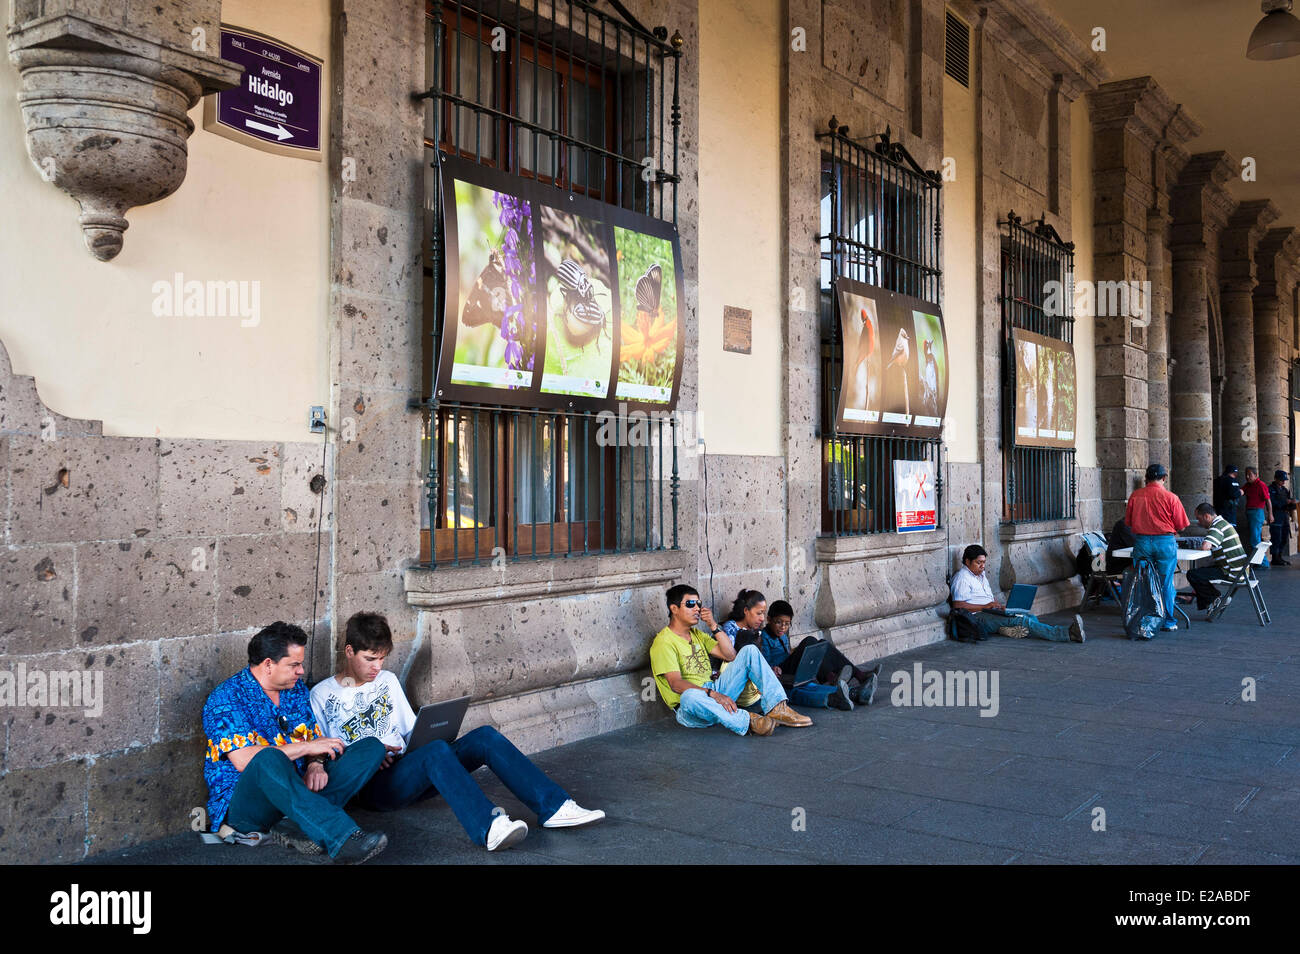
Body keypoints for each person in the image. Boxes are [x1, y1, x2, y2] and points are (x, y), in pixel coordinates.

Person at [310, 613, 603, 853]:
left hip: (411, 768)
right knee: (435, 753)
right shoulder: (322, 695)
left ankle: (554, 807)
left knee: (484, 737)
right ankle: (488, 827)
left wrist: (433, 731)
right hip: (375, 787)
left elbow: (412, 731)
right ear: (349, 651)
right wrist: (371, 753)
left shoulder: (387, 681)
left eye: (382, 659)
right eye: (370, 658)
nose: (378, 667)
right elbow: (325, 757)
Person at [202, 622, 389, 864]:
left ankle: (296, 825)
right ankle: (342, 838)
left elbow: (314, 741)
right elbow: (244, 760)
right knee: (268, 758)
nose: (301, 671)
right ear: (268, 664)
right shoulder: (226, 697)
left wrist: (315, 764)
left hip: (297, 788)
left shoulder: (295, 690)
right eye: (294, 664)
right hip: (247, 808)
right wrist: (307, 748)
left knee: (371, 747)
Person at [649, 584, 813, 736]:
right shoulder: (663, 642)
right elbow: (676, 684)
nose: (697, 608)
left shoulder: (697, 634)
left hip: (715, 690)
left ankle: (778, 707)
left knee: (749, 650)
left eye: (698, 603)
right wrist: (712, 694)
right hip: (693, 707)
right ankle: (749, 721)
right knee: (689, 696)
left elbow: (730, 655)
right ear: (674, 609)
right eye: (690, 604)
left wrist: (713, 625)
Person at [950, 545, 1086, 643]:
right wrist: (985, 607)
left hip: (989, 612)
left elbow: (986, 599)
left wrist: (996, 607)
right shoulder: (962, 578)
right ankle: (1068, 634)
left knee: (1028, 616)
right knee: (1023, 621)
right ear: (967, 562)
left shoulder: (981, 575)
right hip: (977, 617)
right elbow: (958, 606)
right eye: (978, 563)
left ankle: (1006, 628)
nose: (982, 566)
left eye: (984, 562)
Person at [758, 599, 880, 707]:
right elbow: (764, 662)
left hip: (788, 665)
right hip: (780, 672)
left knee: (822, 644)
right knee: (809, 641)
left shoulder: (783, 636)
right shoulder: (764, 637)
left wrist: (796, 653)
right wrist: (773, 668)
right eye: (778, 622)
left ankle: (859, 675)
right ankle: (832, 679)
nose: (783, 627)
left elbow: (787, 653)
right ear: (769, 620)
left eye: (786, 624)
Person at [1124, 463, 1190, 632]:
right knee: (1165, 583)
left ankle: (1143, 619)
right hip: (1165, 543)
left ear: (1146, 478)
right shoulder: (1171, 497)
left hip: (1142, 543)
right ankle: (1168, 621)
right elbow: (1181, 526)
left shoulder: (1135, 496)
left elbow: (1129, 523)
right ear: (1164, 478)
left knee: (1142, 581)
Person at [1183, 503, 1249, 615]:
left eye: (1199, 519)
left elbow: (1205, 547)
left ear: (1207, 516)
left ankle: (1215, 599)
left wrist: (1197, 547)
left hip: (1232, 572)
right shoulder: (1223, 523)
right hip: (1240, 571)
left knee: (1193, 574)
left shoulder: (1217, 526)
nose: (1199, 523)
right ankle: (1212, 602)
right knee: (1201, 573)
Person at [1239, 467, 1274, 569]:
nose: (1247, 476)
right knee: (1254, 538)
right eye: (1246, 474)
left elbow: (1268, 501)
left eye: (1250, 474)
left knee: (1255, 540)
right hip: (1249, 513)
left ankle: (1264, 563)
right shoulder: (1248, 485)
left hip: (1257, 513)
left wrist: (1270, 514)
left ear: (1256, 475)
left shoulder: (1261, 485)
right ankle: (1259, 562)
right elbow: (1241, 491)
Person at [1268, 470, 1294, 566]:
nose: (1283, 482)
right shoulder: (1270, 489)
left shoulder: (1284, 490)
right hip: (1276, 517)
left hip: (1284, 517)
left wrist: (1292, 503)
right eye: (1281, 480)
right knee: (1276, 538)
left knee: (1284, 538)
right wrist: (1285, 502)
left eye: (1284, 480)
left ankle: (1279, 556)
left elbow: (1289, 505)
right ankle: (1275, 558)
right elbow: (1272, 503)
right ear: (1276, 479)